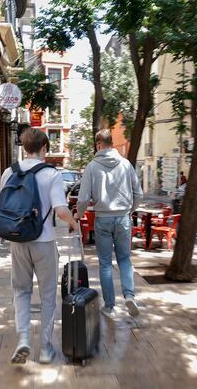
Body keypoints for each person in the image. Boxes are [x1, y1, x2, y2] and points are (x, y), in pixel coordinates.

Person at [0, 129, 77, 365]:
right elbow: (61, 210)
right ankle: (45, 349)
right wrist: (74, 223)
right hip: (44, 242)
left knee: (21, 292)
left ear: (24, 148)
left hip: (17, 240)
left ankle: (23, 338)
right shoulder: (51, 174)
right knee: (47, 297)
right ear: (44, 148)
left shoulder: (8, 172)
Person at [76, 129, 143, 320]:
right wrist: (130, 211)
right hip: (123, 218)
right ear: (111, 143)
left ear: (98, 144)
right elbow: (138, 194)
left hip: (103, 218)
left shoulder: (92, 167)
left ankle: (110, 306)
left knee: (105, 263)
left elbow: (83, 199)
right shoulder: (125, 164)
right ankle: (129, 296)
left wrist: (79, 215)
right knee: (124, 260)